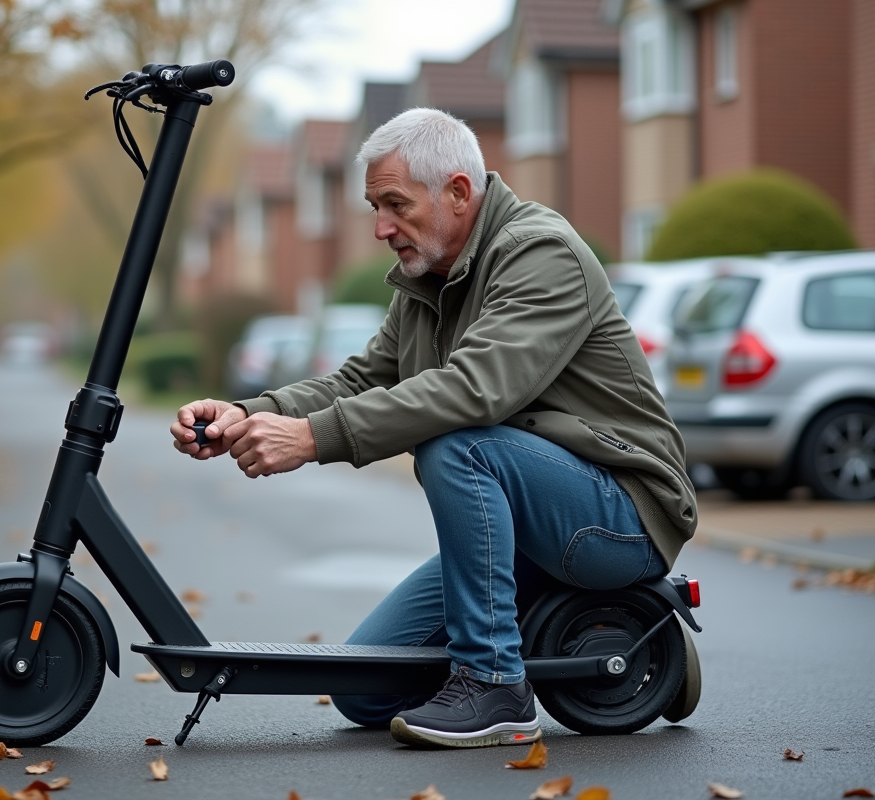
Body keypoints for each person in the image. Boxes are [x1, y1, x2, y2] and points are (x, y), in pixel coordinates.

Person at [170, 108, 696, 749]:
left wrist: (314, 439)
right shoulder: (428, 278)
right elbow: (360, 379)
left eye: (395, 203)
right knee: (366, 687)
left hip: (622, 512)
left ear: (457, 191)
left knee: (456, 441)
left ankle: (496, 683)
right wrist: (253, 413)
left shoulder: (540, 253)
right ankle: (600, 630)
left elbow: (476, 390)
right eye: (374, 207)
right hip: (535, 520)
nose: (380, 228)